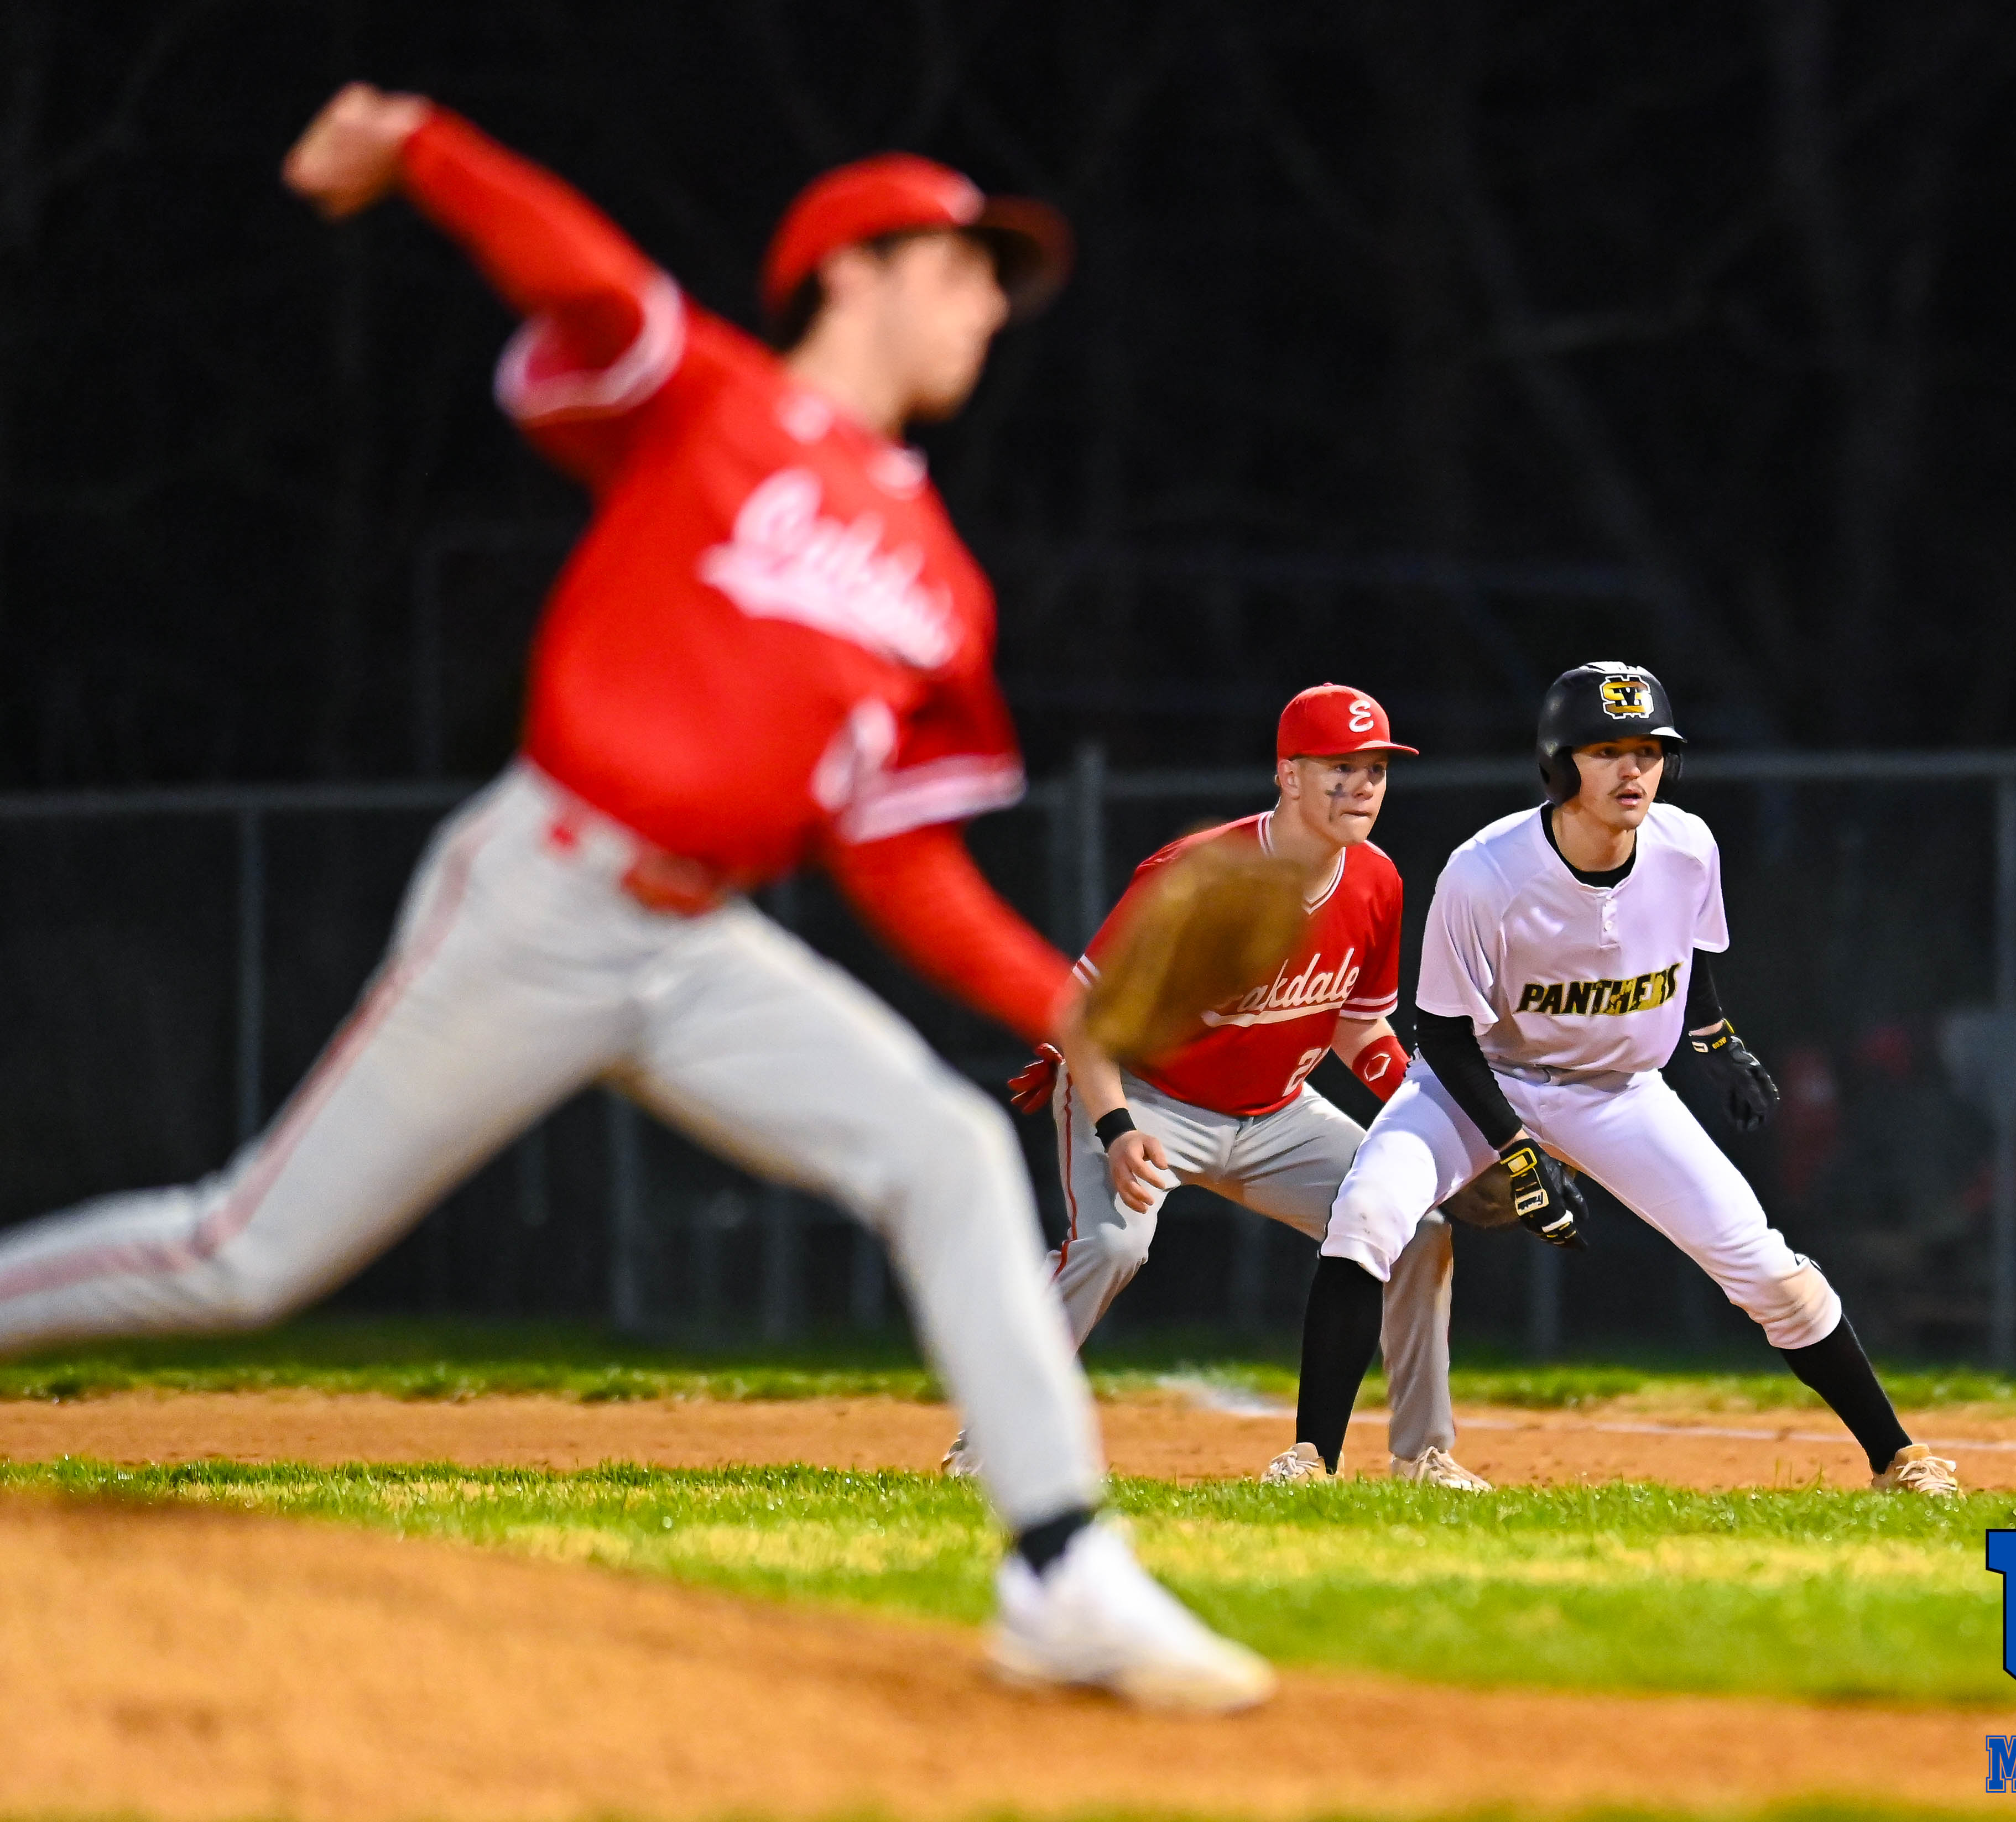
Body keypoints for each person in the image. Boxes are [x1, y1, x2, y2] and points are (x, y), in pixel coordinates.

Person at [0, 83, 1272, 1710]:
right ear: (850, 272)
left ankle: (1061, 1573)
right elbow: (592, 287)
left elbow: (897, 860)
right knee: (241, 1259)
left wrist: (1072, 1011)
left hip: (698, 949)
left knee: (948, 1151)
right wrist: (422, 149)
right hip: (544, 899)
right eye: (958, 268)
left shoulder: (939, 582)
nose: (984, 307)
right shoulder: (710, 403)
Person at [1267, 661, 1961, 1497]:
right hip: (1477, 1082)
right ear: (1559, 765)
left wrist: (1717, 1041)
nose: (1632, 771)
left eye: (1648, 751)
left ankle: (1899, 1460)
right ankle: (1309, 1461)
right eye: (1605, 752)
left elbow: (1684, 958)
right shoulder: (1486, 871)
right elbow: (1444, 1035)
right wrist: (1516, 1150)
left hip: (1618, 1091)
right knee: (1367, 1214)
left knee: (1766, 1267)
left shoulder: (1686, 847)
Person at [955, 684, 1489, 1489]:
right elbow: (1081, 1015)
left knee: (1417, 1227)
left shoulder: (1376, 880)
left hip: (1278, 1113)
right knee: (1111, 1247)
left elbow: (1359, 1027)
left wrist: (1440, 1126)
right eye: (1339, 768)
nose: (1361, 787)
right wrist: (1115, 1128)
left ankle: (1421, 1457)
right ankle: (989, 1442)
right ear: (1289, 774)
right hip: (1147, 1099)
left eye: (1376, 769)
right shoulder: (1202, 874)